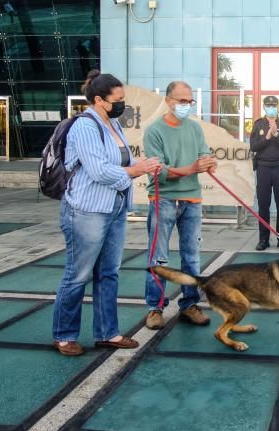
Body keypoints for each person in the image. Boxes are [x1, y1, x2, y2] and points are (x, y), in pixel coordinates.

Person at [53, 70, 161, 356]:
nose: (122, 104)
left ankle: (108, 333)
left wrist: (143, 163)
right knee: (78, 274)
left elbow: (119, 159)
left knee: (109, 273)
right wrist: (134, 171)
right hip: (87, 209)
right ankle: (64, 335)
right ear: (99, 100)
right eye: (119, 99)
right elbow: (99, 170)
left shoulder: (112, 123)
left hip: (114, 208)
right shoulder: (85, 127)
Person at [143, 80, 217, 330]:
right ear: (168, 100)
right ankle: (155, 308)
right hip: (162, 199)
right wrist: (193, 168)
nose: (186, 106)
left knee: (192, 256)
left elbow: (203, 154)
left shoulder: (195, 129)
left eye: (190, 101)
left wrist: (208, 162)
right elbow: (159, 171)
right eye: (182, 101)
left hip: (192, 200)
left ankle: (190, 304)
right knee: (159, 257)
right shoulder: (154, 131)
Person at [250, 95, 279, 251]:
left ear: (277, 107)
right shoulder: (258, 124)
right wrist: (267, 137)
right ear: (264, 107)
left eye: (274, 105)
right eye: (268, 105)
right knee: (263, 205)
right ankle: (263, 240)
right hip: (263, 169)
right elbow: (253, 147)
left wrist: (276, 135)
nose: (271, 108)